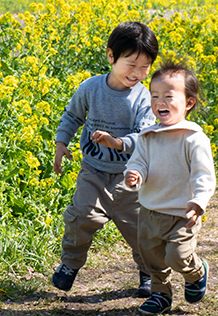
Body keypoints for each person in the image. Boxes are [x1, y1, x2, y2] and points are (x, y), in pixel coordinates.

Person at [52, 21, 159, 296]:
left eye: (145, 67)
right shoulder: (91, 88)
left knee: (139, 229)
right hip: (93, 171)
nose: (137, 73)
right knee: (80, 218)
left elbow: (145, 136)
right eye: (131, 64)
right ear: (111, 56)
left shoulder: (144, 98)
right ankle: (69, 265)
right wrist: (61, 143)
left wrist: (117, 142)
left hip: (130, 175)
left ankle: (148, 272)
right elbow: (72, 116)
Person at [125, 61, 216, 315]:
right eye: (154, 96)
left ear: (189, 102)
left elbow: (203, 175)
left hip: (181, 213)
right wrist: (135, 174)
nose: (159, 101)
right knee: (151, 257)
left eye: (168, 96)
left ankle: (196, 273)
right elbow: (139, 162)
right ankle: (161, 294)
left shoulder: (194, 138)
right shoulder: (148, 136)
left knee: (177, 255)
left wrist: (199, 201)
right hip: (150, 210)